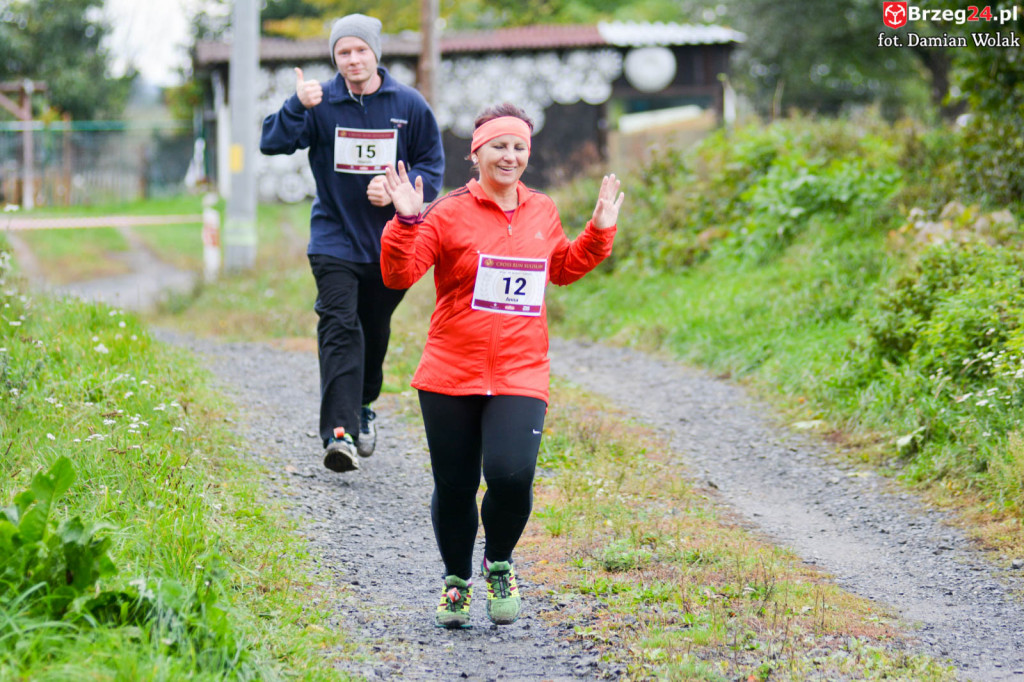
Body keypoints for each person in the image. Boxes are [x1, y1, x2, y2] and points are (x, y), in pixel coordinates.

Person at [379, 103, 624, 628]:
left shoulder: (542, 210)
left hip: (520, 369)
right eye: (499, 146)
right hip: (450, 370)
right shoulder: (446, 213)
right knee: (456, 485)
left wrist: (599, 232)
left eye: (518, 148)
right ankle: (455, 581)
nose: (509, 156)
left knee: (512, 476)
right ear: (476, 153)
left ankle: (500, 562)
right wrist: (403, 221)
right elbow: (399, 275)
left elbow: (560, 268)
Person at [260, 13, 444, 474]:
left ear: (375, 53)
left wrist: (400, 191)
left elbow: (431, 166)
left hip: (391, 244)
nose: (353, 59)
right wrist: (295, 106)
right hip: (333, 238)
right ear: (334, 58)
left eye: (360, 50)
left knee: (373, 331)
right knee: (339, 326)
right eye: (343, 52)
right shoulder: (319, 101)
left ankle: (362, 405)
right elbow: (271, 141)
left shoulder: (408, 103)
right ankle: (338, 434)